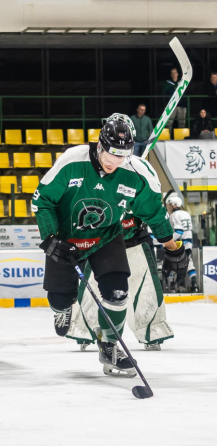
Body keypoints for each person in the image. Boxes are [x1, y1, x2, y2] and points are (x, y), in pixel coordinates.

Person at [31, 113, 186, 377]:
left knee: (118, 292)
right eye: (111, 153)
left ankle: (110, 345)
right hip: (66, 238)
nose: (115, 160)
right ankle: (61, 309)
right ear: (100, 144)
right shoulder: (72, 160)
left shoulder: (137, 172)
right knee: (60, 297)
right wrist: (49, 238)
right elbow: (42, 201)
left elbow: (154, 214)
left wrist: (172, 245)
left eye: (123, 154)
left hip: (106, 236)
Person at [66, 209, 176, 351]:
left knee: (145, 289)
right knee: (92, 288)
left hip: (135, 241)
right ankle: (85, 330)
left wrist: (172, 247)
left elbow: (155, 211)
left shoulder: (142, 186)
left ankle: (151, 330)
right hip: (101, 242)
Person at [167, 195, 198, 292]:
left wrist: (168, 241)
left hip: (179, 243)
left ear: (175, 205)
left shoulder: (174, 215)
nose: (170, 207)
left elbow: (179, 231)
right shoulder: (186, 214)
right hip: (188, 242)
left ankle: (172, 286)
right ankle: (194, 284)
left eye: (171, 205)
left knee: (171, 263)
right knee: (189, 263)